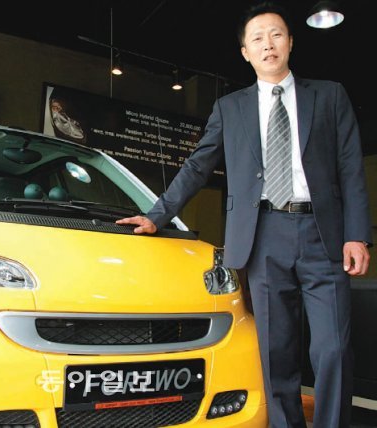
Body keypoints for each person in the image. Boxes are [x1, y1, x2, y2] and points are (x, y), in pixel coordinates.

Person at [116, 2, 372, 427]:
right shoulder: (230, 108)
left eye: (276, 35)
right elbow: (198, 165)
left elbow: (350, 169)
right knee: (276, 351)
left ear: (290, 42)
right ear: (245, 52)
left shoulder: (329, 96)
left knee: (333, 349)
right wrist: (157, 215)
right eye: (258, 38)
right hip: (262, 235)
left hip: (323, 234)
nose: (268, 44)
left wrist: (357, 235)